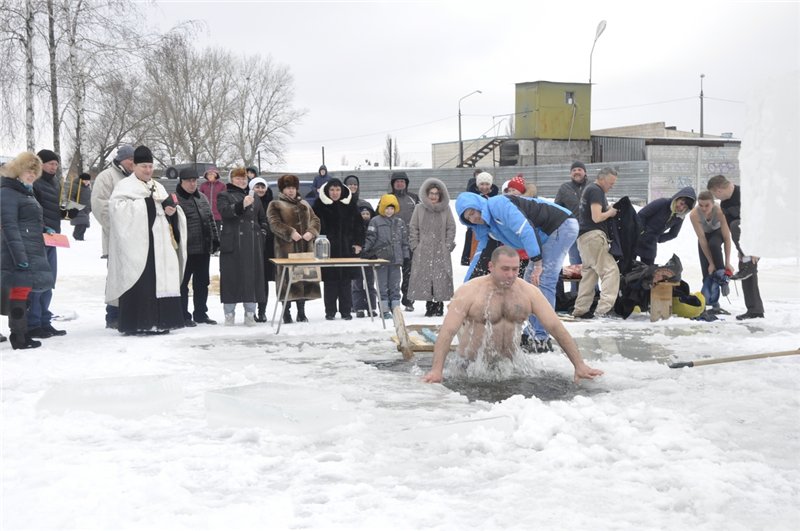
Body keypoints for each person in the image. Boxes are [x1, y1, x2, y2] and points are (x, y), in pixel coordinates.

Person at [422, 246, 603, 384]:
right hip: (470, 368)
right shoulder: (469, 292)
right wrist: (437, 370)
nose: (511, 275)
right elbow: (447, 332)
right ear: (491, 266)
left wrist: (579, 365)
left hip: (508, 366)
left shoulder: (528, 293)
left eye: (515, 269)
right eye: (505, 269)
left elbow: (556, 327)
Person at [456, 190, 578, 353]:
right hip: (546, 235)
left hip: (561, 225)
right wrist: (465, 289)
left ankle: (540, 337)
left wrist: (538, 262)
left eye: (472, 212)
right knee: (530, 281)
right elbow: (479, 255)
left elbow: (524, 229)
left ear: (479, 205)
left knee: (543, 279)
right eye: (468, 218)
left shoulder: (497, 205)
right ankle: (532, 331)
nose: (473, 218)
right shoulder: (487, 228)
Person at [106, 145, 187, 335]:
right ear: (134, 166)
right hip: (138, 245)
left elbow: (168, 208)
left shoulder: (157, 186)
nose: (148, 170)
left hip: (161, 244)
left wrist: (171, 211)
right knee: (143, 281)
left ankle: (162, 321)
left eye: (150, 166)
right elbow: (118, 211)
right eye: (144, 167)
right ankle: (140, 322)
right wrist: (149, 204)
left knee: (162, 279)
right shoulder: (125, 186)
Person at [1, 152, 55, 349]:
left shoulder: (25, 191)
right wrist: (19, 256)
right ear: (18, 170)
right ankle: (19, 336)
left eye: (34, 171)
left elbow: (27, 220)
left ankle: (21, 335)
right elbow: (9, 225)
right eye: (28, 170)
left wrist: (43, 228)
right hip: (17, 250)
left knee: (22, 293)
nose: (31, 175)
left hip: (30, 248)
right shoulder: (8, 192)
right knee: (18, 293)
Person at [707, 175, 764, 320]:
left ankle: (748, 261)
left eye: (714, 194)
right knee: (746, 270)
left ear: (719, 190)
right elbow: (733, 232)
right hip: (745, 240)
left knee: (736, 224)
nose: (716, 197)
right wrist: (741, 250)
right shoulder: (725, 204)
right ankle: (755, 310)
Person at [267, 174, 321, 324]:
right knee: (287, 280)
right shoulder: (275, 204)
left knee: (302, 278)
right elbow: (274, 223)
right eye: (287, 188)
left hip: (305, 248)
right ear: (282, 189)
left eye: (293, 188)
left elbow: (316, 219)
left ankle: (302, 312)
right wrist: (290, 233)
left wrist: (312, 231)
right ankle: (286, 313)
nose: (291, 191)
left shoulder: (304, 204)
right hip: (286, 249)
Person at [217, 167, 268, 326]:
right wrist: (241, 205)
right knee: (231, 278)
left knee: (251, 278)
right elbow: (225, 212)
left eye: (244, 178)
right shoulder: (224, 195)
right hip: (233, 243)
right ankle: (229, 314)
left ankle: (250, 313)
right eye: (238, 178)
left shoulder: (254, 197)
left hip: (252, 243)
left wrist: (263, 232)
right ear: (231, 179)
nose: (242, 181)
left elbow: (262, 218)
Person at [92, 144, 135, 328]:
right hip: (116, 237)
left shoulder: (135, 178)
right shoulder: (107, 177)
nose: (133, 163)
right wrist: (118, 227)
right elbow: (99, 204)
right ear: (121, 160)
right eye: (130, 160)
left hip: (136, 238)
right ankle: (113, 315)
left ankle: (131, 312)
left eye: (135, 160)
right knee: (116, 276)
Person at [312, 178, 365, 320]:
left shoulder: (350, 204)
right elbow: (314, 226)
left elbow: (359, 226)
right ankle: (330, 311)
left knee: (345, 282)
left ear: (342, 191)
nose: (335, 193)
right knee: (330, 282)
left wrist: (358, 243)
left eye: (337, 190)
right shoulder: (319, 205)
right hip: (326, 249)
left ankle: (346, 311)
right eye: (332, 190)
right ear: (327, 191)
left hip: (347, 249)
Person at [572, 167, 620, 319]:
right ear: (602, 179)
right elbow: (597, 217)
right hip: (594, 236)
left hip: (584, 238)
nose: (611, 186)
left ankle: (581, 309)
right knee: (610, 271)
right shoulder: (596, 190)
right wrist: (610, 212)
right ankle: (603, 310)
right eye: (611, 183)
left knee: (589, 274)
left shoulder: (589, 189)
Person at [27, 149, 65, 339]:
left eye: (56, 164)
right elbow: (32, 211)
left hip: (52, 238)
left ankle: (44, 320)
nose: (54, 167)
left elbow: (54, 208)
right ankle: (32, 322)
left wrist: (66, 213)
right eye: (50, 163)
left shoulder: (55, 182)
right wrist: (43, 228)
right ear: (41, 164)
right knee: (37, 282)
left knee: (49, 281)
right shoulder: (34, 183)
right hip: (37, 239)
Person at [175, 167, 219, 327]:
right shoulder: (175, 199)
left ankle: (201, 314)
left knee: (202, 283)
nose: (192, 184)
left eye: (194, 181)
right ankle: (183, 315)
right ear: (181, 182)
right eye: (189, 181)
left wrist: (215, 239)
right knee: (183, 284)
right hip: (185, 250)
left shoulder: (202, 198)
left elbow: (210, 219)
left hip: (203, 248)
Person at [408, 178, 456, 317]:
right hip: (423, 249)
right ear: (426, 194)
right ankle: (429, 304)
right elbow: (413, 227)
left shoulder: (446, 209)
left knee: (440, 277)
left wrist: (447, 245)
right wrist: (415, 245)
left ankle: (439, 304)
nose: (434, 196)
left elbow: (451, 227)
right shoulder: (419, 208)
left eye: (436, 193)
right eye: (431, 193)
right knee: (425, 277)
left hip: (441, 249)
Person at [362, 194, 409, 319]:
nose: (389, 211)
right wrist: (365, 250)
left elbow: (404, 241)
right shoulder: (375, 221)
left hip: (396, 259)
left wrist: (405, 256)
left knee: (395, 285)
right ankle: (384, 310)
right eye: (387, 208)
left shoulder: (400, 222)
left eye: (392, 208)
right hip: (381, 259)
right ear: (382, 208)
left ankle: (395, 309)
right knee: (382, 286)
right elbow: (370, 238)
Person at [689, 190, 732, 314]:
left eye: (707, 205)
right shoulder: (694, 215)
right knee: (707, 270)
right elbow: (702, 240)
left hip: (717, 233)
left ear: (713, 203)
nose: (703, 208)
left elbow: (727, 238)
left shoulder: (719, 212)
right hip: (705, 236)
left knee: (714, 244)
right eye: (700, 205)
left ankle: (723, 279)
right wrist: (710, 263)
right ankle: (713, 302)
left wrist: (728, 262)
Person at [635, 187, 696, 265]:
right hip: (636, 238)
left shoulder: (679, 217)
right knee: (627, 267)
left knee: (648, 270)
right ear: (677, 198)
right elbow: (641, 215)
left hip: (650, 244)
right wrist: (641, 231)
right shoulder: (663, 203)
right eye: (681, 203)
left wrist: (658, 238)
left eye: (685, 207)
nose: (681, 208)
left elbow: (673, 234)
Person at [555, 161, 589, 292]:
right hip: (572, 232)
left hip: (589, 231)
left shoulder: (593, 187)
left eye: (579, 169)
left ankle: (593, 292)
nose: (576, 172)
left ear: (585, 172)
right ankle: (575, 293)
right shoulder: (564, 188)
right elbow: (557, 208)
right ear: (570, 173)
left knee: (589, 263)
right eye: (574, 170)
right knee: (575, 262)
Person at [388, 171, 419, 312]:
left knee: (410, 273)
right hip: (392, 243)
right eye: (397, 181)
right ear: (393, 184)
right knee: (393, 273)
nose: (400, 183)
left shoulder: (413, 198)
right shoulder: (388, 198)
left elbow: (421, 217)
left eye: (402, 181)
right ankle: (392, 300)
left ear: (406, 183)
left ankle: (408, 300)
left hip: (410, 242)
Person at [249, 177, 276, 323]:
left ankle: (262, 311)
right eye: (257, 187)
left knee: (263, 280)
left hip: (268, 245)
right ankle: (250, 311)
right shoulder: (248, 200)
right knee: (253, 279)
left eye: (262, 187)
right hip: (252, 244)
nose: (260, 190)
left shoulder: (272, 202)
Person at [352, 204, 378, 317]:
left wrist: (367, 249)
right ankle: (359, 308)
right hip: (357, 259)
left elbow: (374, 240)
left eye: (367, 214)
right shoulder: (354, 226)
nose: (365, 216)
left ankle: (371, 307)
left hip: (370, 259)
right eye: (363, 214)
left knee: (370, 284)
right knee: (357, 284)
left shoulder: (373, 226)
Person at [460, 168, 485, 266]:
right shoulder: (472, 185)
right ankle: (469, 259)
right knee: (471, 240)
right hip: (473, 218)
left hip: (482, 219)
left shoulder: (487, 188)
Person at [199, 167, 225, 237]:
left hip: (217, 214)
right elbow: (199, 197)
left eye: (211, 174)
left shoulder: (222, 185)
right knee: (207, 234)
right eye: (208, 174)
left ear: (216, 175)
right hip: (206, 214)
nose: (210, 176)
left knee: (217, 234)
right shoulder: (203, 185)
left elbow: (224, 198)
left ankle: (217, 247)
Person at [69, 173, 92, 240]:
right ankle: (77, 236)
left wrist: (90, 207)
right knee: (81, 223)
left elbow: (88, 199)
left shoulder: (87, 188)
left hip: (86, 209)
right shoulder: (76, 186)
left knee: (84, 224)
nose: (86, 182)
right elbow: (70, 196)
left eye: (88, 180)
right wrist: (76, 206)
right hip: (77, 208)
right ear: (81, 180)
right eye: (85, 180)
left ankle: (80, 238)